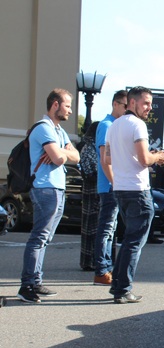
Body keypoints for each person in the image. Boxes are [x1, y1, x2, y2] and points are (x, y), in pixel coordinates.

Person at [104, 86, 164, 304]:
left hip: (121, 189)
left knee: (128, 240)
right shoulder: (137, 125)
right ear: (132, 103)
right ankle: (122, 289)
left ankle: (118, 286)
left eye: (150, 103)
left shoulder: (113, 126)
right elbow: (143, 160)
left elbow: (108, 160)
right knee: (134, 243)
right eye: (146, 103)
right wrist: (157, 156)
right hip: (138, 190)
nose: (149, 108)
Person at [18, 89, 79, 303]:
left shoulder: (58, 131)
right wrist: (61, 153)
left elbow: (76, 156)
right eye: (68, 105)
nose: (70, 110)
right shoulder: (44, 129)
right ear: (55, 104)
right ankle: (27, 286)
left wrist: (61, 151)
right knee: (39, 237)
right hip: (45, 188)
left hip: (56, 189)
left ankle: (35, 281)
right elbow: (60, 159)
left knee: (45, 238)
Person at [93, 90, 128, 287]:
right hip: (109, 185)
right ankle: (101, 270)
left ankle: (105, 267)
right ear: (115, 104)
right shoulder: (106, 125)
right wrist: (115, 182)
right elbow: (104, 157)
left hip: (113, 184)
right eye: (124, 106)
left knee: (111, 228)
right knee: (106, 228)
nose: (126, 110)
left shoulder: (114, 125)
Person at [79, 121, 100, 271]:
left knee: (97, 227)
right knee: (90, 227)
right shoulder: (88, 149)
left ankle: (96, 259)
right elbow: (88, 172)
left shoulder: (95, 148)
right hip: (91, 191)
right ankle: (88, 260)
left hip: (96, 189)